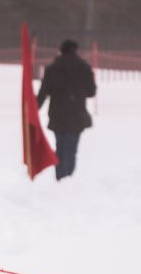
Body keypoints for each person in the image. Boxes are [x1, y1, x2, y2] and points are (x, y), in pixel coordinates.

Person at [35, 39, 97, 181]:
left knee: (60, 147)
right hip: (76, 114)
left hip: (58, 115)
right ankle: (68, 177)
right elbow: (91, 91)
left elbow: (43, 92)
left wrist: (34, 107)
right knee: (71, 148)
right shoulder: (84, 68)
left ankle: (60, 177)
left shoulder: (52, 68)